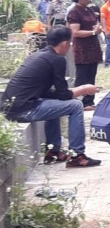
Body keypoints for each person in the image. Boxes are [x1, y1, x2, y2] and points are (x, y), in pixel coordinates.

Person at [1, 26, 101, 167]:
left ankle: (53, 151)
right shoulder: (57, 60)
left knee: (55, 103)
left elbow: (51, 94)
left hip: (11, 108)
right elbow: (64, 95)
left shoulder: (39, 56)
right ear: (65, 43)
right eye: (70, 43)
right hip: (24, 110)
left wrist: (77, 90)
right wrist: (84, 89)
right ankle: (77, 155)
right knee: (76, 106)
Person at [67, 0, 103, 111]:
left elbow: (94, 23)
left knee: (91, 74)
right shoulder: (74, 12)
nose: (89, 0)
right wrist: (93, 32)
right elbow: (75, 32)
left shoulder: (89, 10)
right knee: (82, 75)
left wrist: (97, 28)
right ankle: (79, 102)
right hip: (82, 48)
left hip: (93, 46)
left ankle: (89, 101)